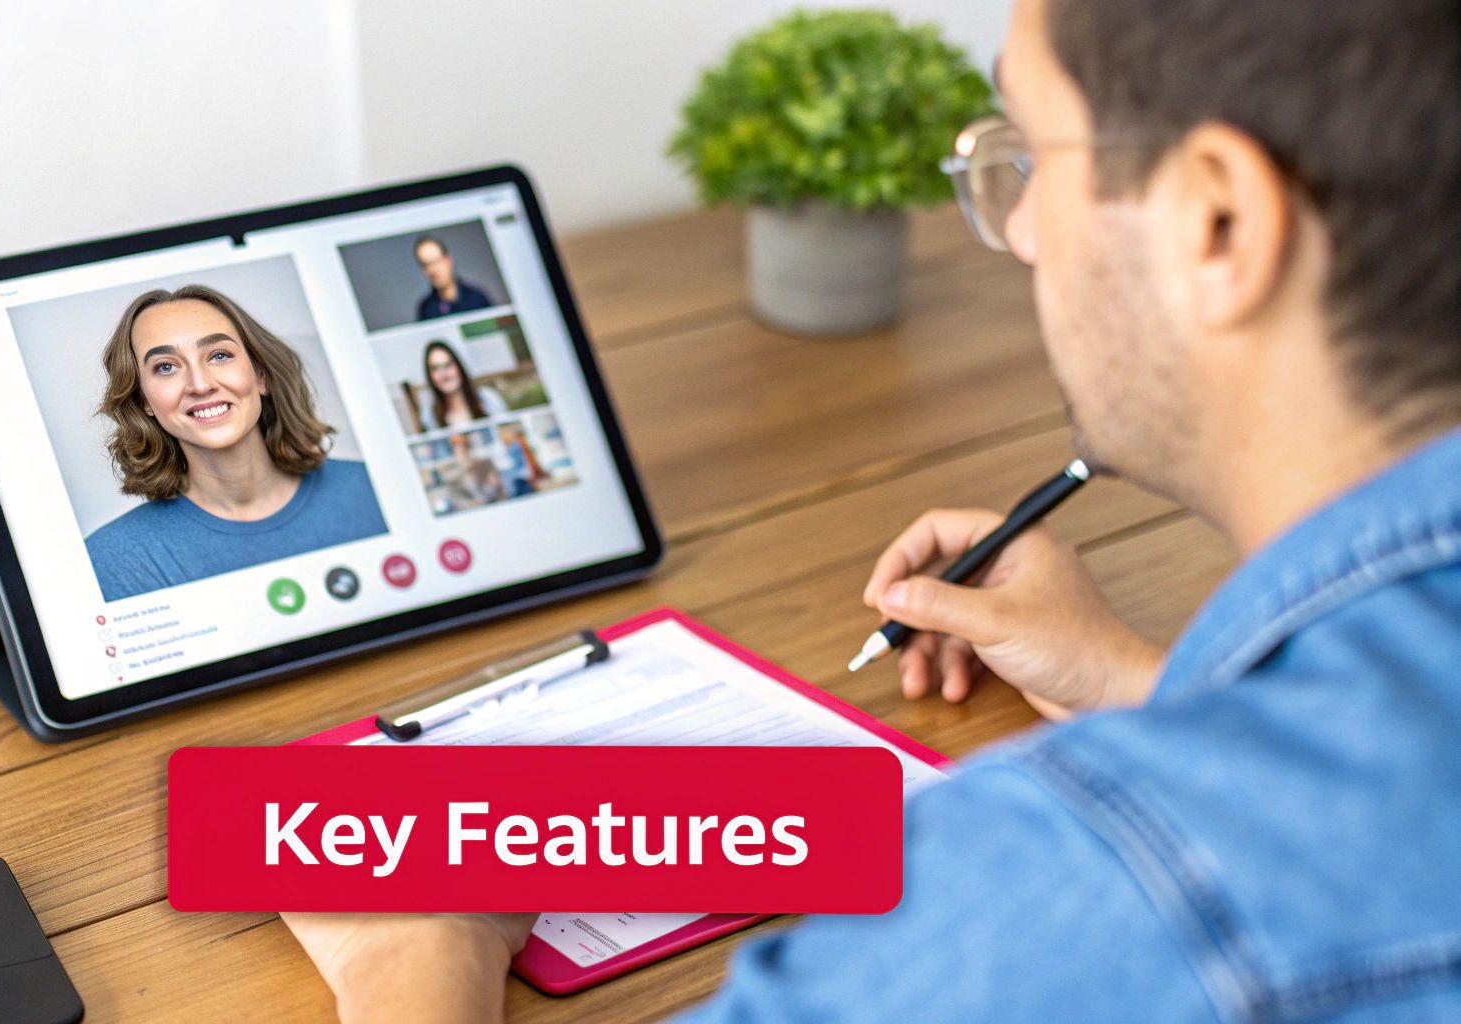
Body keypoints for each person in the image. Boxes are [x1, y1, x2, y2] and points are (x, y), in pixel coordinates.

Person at [282, 0, 1461, 1019]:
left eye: (1037, 156)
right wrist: (1145, 685)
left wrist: (416, 947)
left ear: (1217, 225)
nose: (1018, 233)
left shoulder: (1108, 887)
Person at [84, 284, 386, 602]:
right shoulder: (112, 562)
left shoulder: (377, 489)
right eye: (166, 367)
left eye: (219, 355)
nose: (199, 385)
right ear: (144, 400)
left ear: (260, 375)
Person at [418, 340, 507, 431]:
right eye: (435, 368)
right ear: (430, 376)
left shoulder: (488, 399)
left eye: (447, 365)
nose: (443, 373)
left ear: (459, 367)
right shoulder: (429, 417)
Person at [414, 235, 494, 321]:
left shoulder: (477, 298)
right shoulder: (426, 309)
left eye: (435, 262)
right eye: (425, 265)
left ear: (448, 260)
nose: (432, 270)